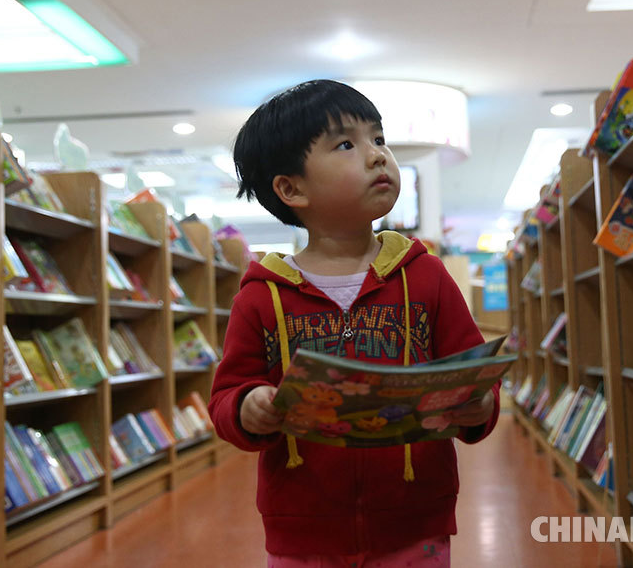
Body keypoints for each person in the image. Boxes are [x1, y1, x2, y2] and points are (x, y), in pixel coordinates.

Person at [208, 79, 500, 567]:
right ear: (290, 188)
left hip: (416, 523)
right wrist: (247, 407)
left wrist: (479, 406)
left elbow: (471, 371)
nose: (376, 156)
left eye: (379, 139)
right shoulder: (261, 297)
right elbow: (226, 394)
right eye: (346, 144)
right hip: (303, 530)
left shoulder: (424, 275)